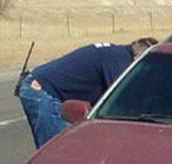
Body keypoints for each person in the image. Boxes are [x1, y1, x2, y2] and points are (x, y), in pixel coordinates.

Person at [18, 37, 157, 148]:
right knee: (57, 151)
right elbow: (121, 102)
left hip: (45, 88)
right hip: (42, 91)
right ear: (138, 58)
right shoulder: (119, 62)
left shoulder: (117, 54)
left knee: (70, 147)